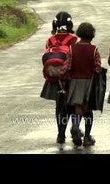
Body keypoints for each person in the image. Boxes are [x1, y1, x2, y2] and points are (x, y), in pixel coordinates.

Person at [60, 22, 101, 147]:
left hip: (75, 82)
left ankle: (76, 127)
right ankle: (87, 137)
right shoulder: (94, 50)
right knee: (88, 110)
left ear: (79, 34)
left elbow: (66, 67)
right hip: (89, 82)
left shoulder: (72, 48)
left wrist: (63, 81)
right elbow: (97, 68)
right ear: (92, 35)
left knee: (77, 107)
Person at [40, 11, 77, 144]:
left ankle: (60, 134)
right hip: (68, 77)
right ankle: (75, 127)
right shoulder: (73, 39)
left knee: (59, 106)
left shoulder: (50, 40)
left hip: (54, 78)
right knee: (72, 104)